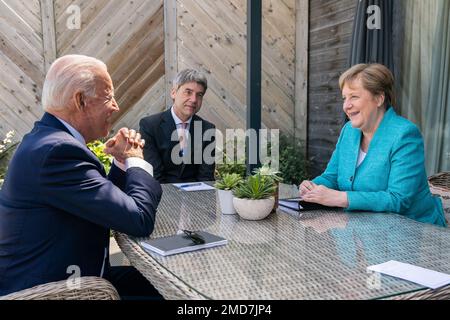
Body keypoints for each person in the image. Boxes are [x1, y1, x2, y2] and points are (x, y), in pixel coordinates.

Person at [0, 55, 163, 299]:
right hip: (53, 290)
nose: (116, 106)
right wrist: (135, 159)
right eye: (108, 97)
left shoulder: (48, 140)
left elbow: (99, 202)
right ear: (80, 101)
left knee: (158, 284)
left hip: (75, 273)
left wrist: (120, 161)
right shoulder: (57, 152)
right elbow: (139, 219)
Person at [299, 63, 446, 227]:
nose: (346, 106)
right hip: (358, 229)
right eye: (344, 98)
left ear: (379, 98)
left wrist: (340, 198)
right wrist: (313, 187)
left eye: (354, 97)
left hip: (413, 233)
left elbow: (399, 199)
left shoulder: (405, 135)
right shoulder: (349, 131)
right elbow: (332, 176)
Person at [139, 69, 215, 183]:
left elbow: (206, 177)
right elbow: (155, 175)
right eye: (188, 92)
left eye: (199, 95)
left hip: (197, 196)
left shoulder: (207, 129)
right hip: (162, 195)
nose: (194, 100)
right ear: (173, 93)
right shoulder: (150, 126)